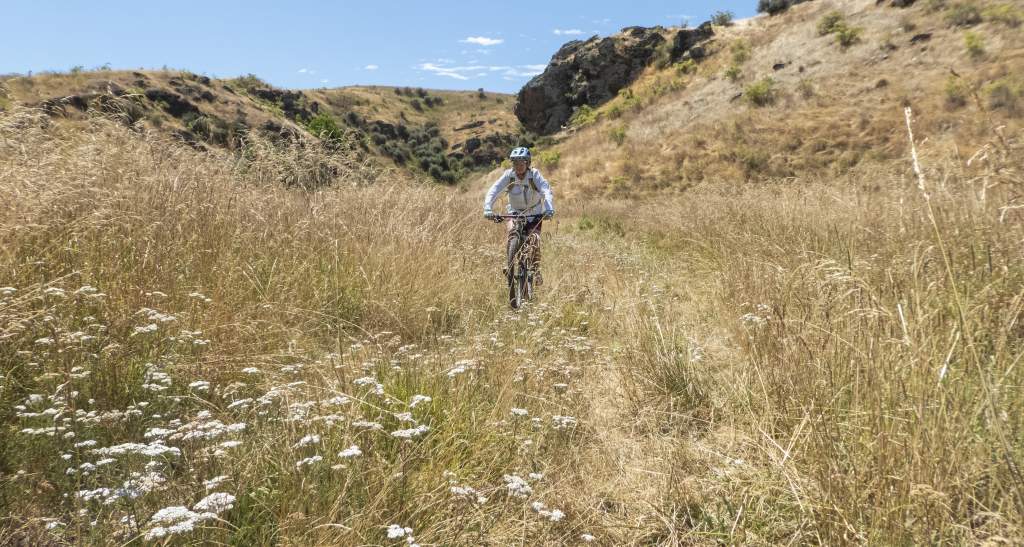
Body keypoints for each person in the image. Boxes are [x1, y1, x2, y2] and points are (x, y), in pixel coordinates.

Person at [483, 147, 555, 286]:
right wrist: (487, 207)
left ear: (527, 163)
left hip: (534, 214)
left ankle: (536, 270)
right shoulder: (509, 175)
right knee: (512, 232)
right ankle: (510, 264)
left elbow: (546, 190)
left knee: (534, 242)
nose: (518, 166)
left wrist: (549, 208)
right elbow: (494, 190)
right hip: (515, 212)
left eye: (521, 163)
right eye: (515, 163)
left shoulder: (534, 175)